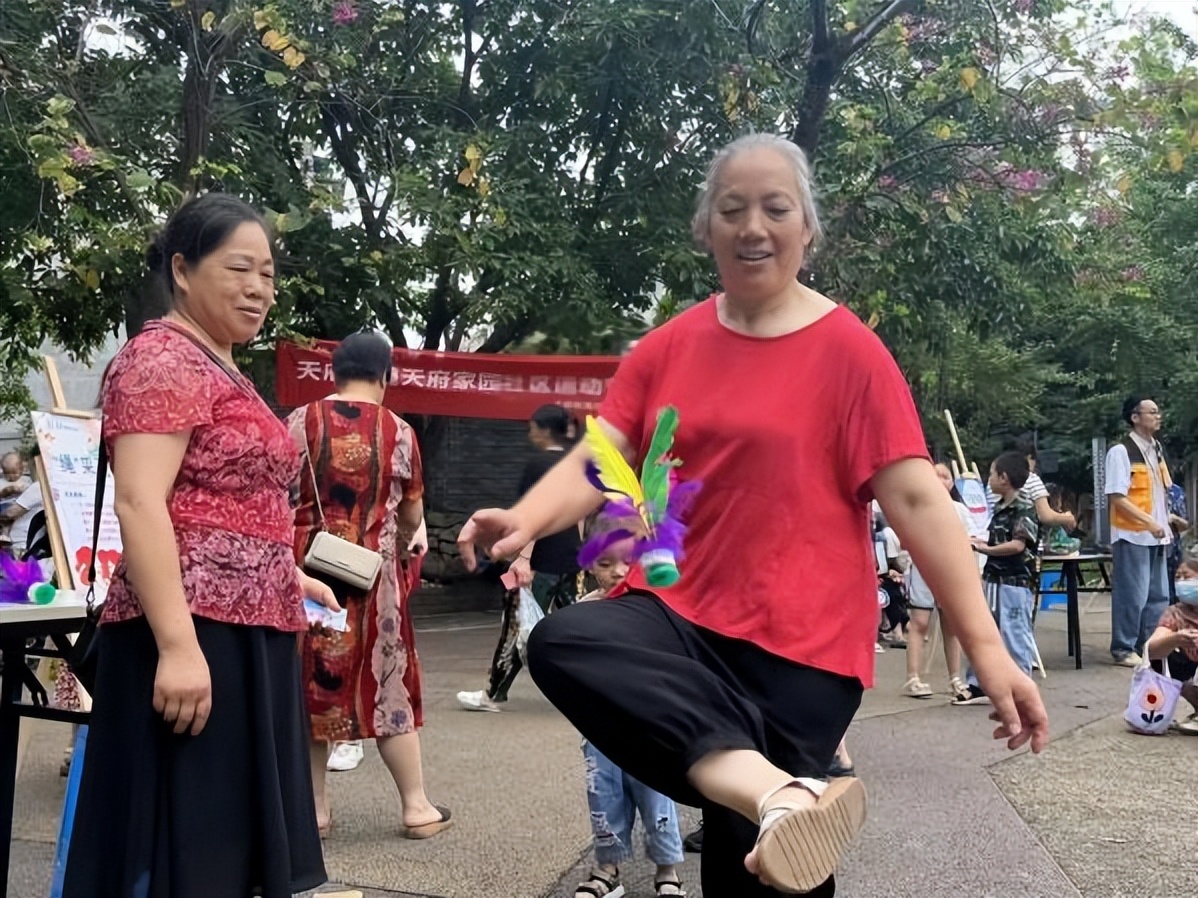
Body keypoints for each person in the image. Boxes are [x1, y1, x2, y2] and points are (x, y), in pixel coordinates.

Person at [457, 133, 1048, 897]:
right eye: (732, 209)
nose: (753, 226)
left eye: (776, 208)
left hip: (800, 649)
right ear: (707, 229)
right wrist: (524, 519)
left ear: (807, 228)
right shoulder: (670, 347)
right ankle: (778, 791)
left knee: (764, 875)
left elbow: (915, 502)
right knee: (569, 640)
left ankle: (779, 801)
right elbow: (606, 455)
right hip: (681, 622)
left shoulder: (850, 353)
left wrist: (988, 648)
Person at [63, 193, 337, 898]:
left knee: (228, 846)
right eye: (240, 267)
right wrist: (180, 648)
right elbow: (140, 501)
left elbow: (222, 503)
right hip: (192, 632)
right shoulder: (162, 360)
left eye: (269, 274)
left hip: (247, 627)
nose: (258, 288)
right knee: (191, 847)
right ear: (182, 269)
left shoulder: (218, 364)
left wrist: (284, 572)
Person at [288, 331, 451, 840]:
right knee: (388, 684)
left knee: (311, 687)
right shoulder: (399, 432)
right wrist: (400, 542)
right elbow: (412, 514)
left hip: (308, 576)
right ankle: (417, 808)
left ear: (334, 374)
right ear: (385, 376)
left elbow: (276, 495)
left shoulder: (299, 422)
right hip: (374, 582)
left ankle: (314, 813)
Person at [573, 521, 686, 898]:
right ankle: (607, 869)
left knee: (657, 793)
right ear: (590, 564)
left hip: (651, 720)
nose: (618, 572)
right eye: (605, 564)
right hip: (601, 722)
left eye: (628, 562)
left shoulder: (656, 604)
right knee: (603, 794)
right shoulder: (583, 611)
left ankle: (668, 870)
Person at [456, 403, 582, 712]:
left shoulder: (538, 464)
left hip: (540, 560)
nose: (529, 432)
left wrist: (524, 557)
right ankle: (602, 687)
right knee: (580, 627)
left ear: (541, 429)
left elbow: (533, 517)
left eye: (531, 427)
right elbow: (579, 515)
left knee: (514, 624)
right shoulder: (575, 464)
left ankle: (493, 693)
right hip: (571, 559)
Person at [953, 453, 1040, 706]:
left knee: (1015, 635)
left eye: (992, 473)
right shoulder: (1000, 507)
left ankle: (1022, 687)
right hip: (994, 578)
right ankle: (979, 684)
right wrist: (980, 543)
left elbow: (1017, 545)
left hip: (1015, 582)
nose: (988, 478)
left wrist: (985, 550)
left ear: (1004, 478)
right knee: (984, 632)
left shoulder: (1024, 508)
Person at [1105, 395, 1172, 667]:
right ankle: (1123, 647)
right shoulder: (1121, 452)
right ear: (1135, 417)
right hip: (1132, 534)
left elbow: (1158, 493)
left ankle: (1150, 646)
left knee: (1159, 595)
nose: (1158, 416)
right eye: (1152, 412)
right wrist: (1149, 522)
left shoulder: (1156, 448)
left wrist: (1168, 520)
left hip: (1157, 533)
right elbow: (1117, 497)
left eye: (1158, 411)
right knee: (1134, 593)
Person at [904, 462, 974, 702]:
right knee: (919, 622)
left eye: (945, 476)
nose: (941, 481)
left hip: (950, 571)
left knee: (951, 626)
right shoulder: (918, 509)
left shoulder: (960, 511)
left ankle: (955, 676)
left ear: (952, 482)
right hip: (923, 569)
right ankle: (913, 676)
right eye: (936, 476)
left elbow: (970, 541)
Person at [1145, 562, 1198, 734]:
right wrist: (1174, 639)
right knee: (1167, 659)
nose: (1182, 583)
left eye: (1187, 577)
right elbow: (1151, 649)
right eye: (1178, 578)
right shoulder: (1175, 613)